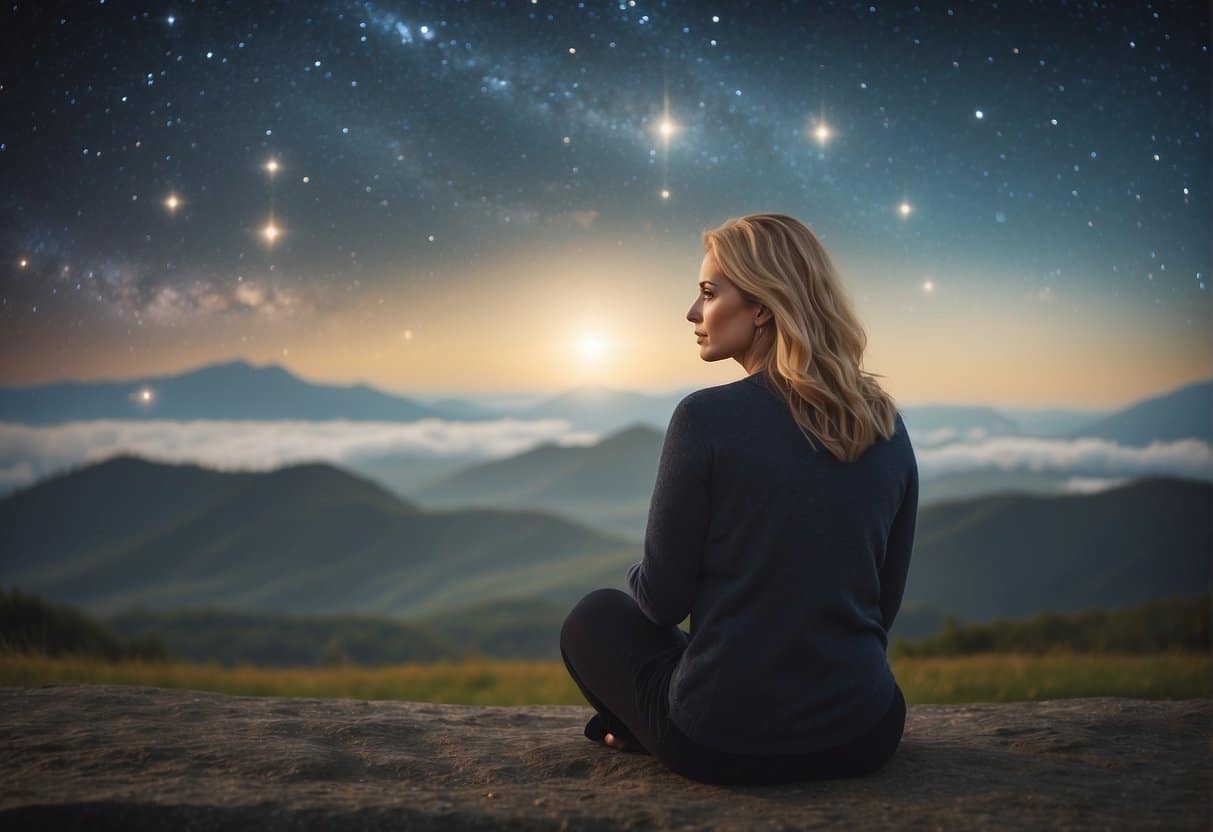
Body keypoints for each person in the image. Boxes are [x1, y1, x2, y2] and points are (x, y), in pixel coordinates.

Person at [559, 212, 919, 786]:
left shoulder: (704, 418)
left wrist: (658, 565)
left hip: (725, 743)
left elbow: (658, 602)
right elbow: (882, 605)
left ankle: (636, 730)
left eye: (708, 292)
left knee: (596, 616)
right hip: (864, 733)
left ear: (762, 306)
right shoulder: (883, 423)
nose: (692, 313)